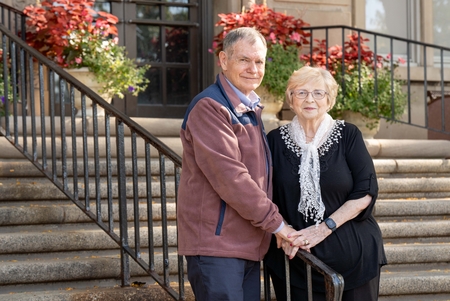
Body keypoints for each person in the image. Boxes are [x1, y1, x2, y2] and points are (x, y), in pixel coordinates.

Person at [177, 27, 296, 301]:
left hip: (244, 244)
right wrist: (277, 225)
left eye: (259, 61)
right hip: (216, 247)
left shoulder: (248, 108)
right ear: (223, 60)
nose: (253, 68)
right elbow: (231, 178)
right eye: (244, 59)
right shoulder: (210, 107)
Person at [264, 66, 387, 301]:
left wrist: (324, 228)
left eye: (318, 93)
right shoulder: (275, 141)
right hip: (295, 258)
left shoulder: (348, 135)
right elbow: (265, 195)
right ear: (290, 99)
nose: (310, 99)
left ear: (329, 100)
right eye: (301, 92)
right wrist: (284, 233)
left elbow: (365, 192)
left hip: (354, 258)